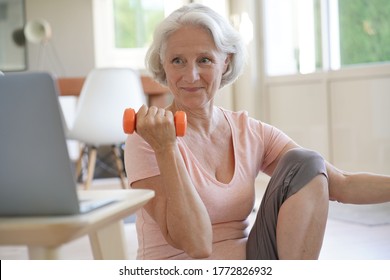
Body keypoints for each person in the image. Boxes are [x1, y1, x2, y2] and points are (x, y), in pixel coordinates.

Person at [124, 3, 390, 260]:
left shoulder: (248, 132)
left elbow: (341, 184)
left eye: (204, 60)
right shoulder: (147, 138)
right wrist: (167, 148)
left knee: (307, 162)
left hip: (253, 263)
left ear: (225, 63)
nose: (191, 75)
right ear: (163, 64)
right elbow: (197, 245)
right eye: (177, 61)